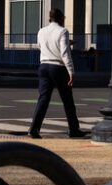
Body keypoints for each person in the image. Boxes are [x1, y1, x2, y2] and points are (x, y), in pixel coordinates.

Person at [28, 8, 85, 139]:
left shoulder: (41, 31)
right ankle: (73, 129)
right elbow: (65, 53)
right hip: (58, 67)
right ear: (61, 18)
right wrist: (71, 71)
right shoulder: (63, 31)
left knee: (43, 99)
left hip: (44, 65)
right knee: (67, 100)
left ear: (50, 18)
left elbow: (40, 46)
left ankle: (34, 129)